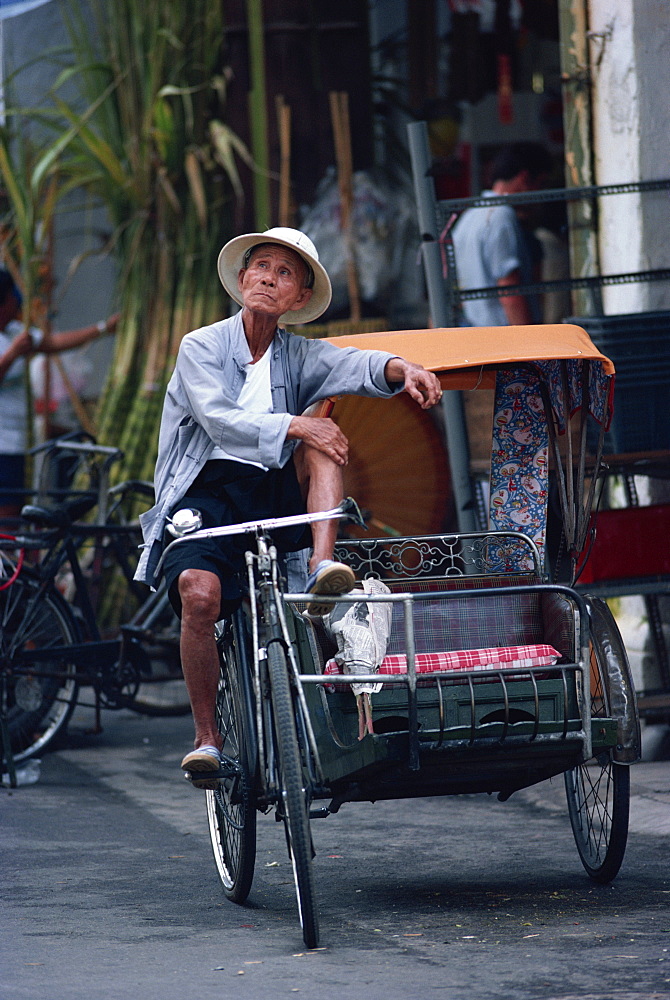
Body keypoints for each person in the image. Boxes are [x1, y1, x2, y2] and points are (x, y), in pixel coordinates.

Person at [134, 226, 442, 787]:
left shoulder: (299, 354)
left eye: (285, 275)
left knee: (325, 436)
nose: (270, 280)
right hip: (206, 490)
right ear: (242, 278)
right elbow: (217, 419)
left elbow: (357, 365)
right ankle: (207, 738)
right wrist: (298, 423)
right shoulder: (200, 346)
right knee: (198, 596)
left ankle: (325, 567)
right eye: (262, 268)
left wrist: (407, 370)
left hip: (272, 485)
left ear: (299, 298)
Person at [0, 268, 119, 519]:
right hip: (2, 445)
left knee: (18, 514)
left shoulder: (14, 332)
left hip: (19, 442)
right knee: (8, 518)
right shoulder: (11, 343)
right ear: (7, 300)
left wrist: (103, 329)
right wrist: (12, 355)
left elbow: (52, 342)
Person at [451, 142, 553, 327]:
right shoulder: (502, 216)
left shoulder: (471, 215)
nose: (540, 194)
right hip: (504, 335)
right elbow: (509, 291)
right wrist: (531, 345)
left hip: (475, 331)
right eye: (541, 184)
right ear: (524, 178)